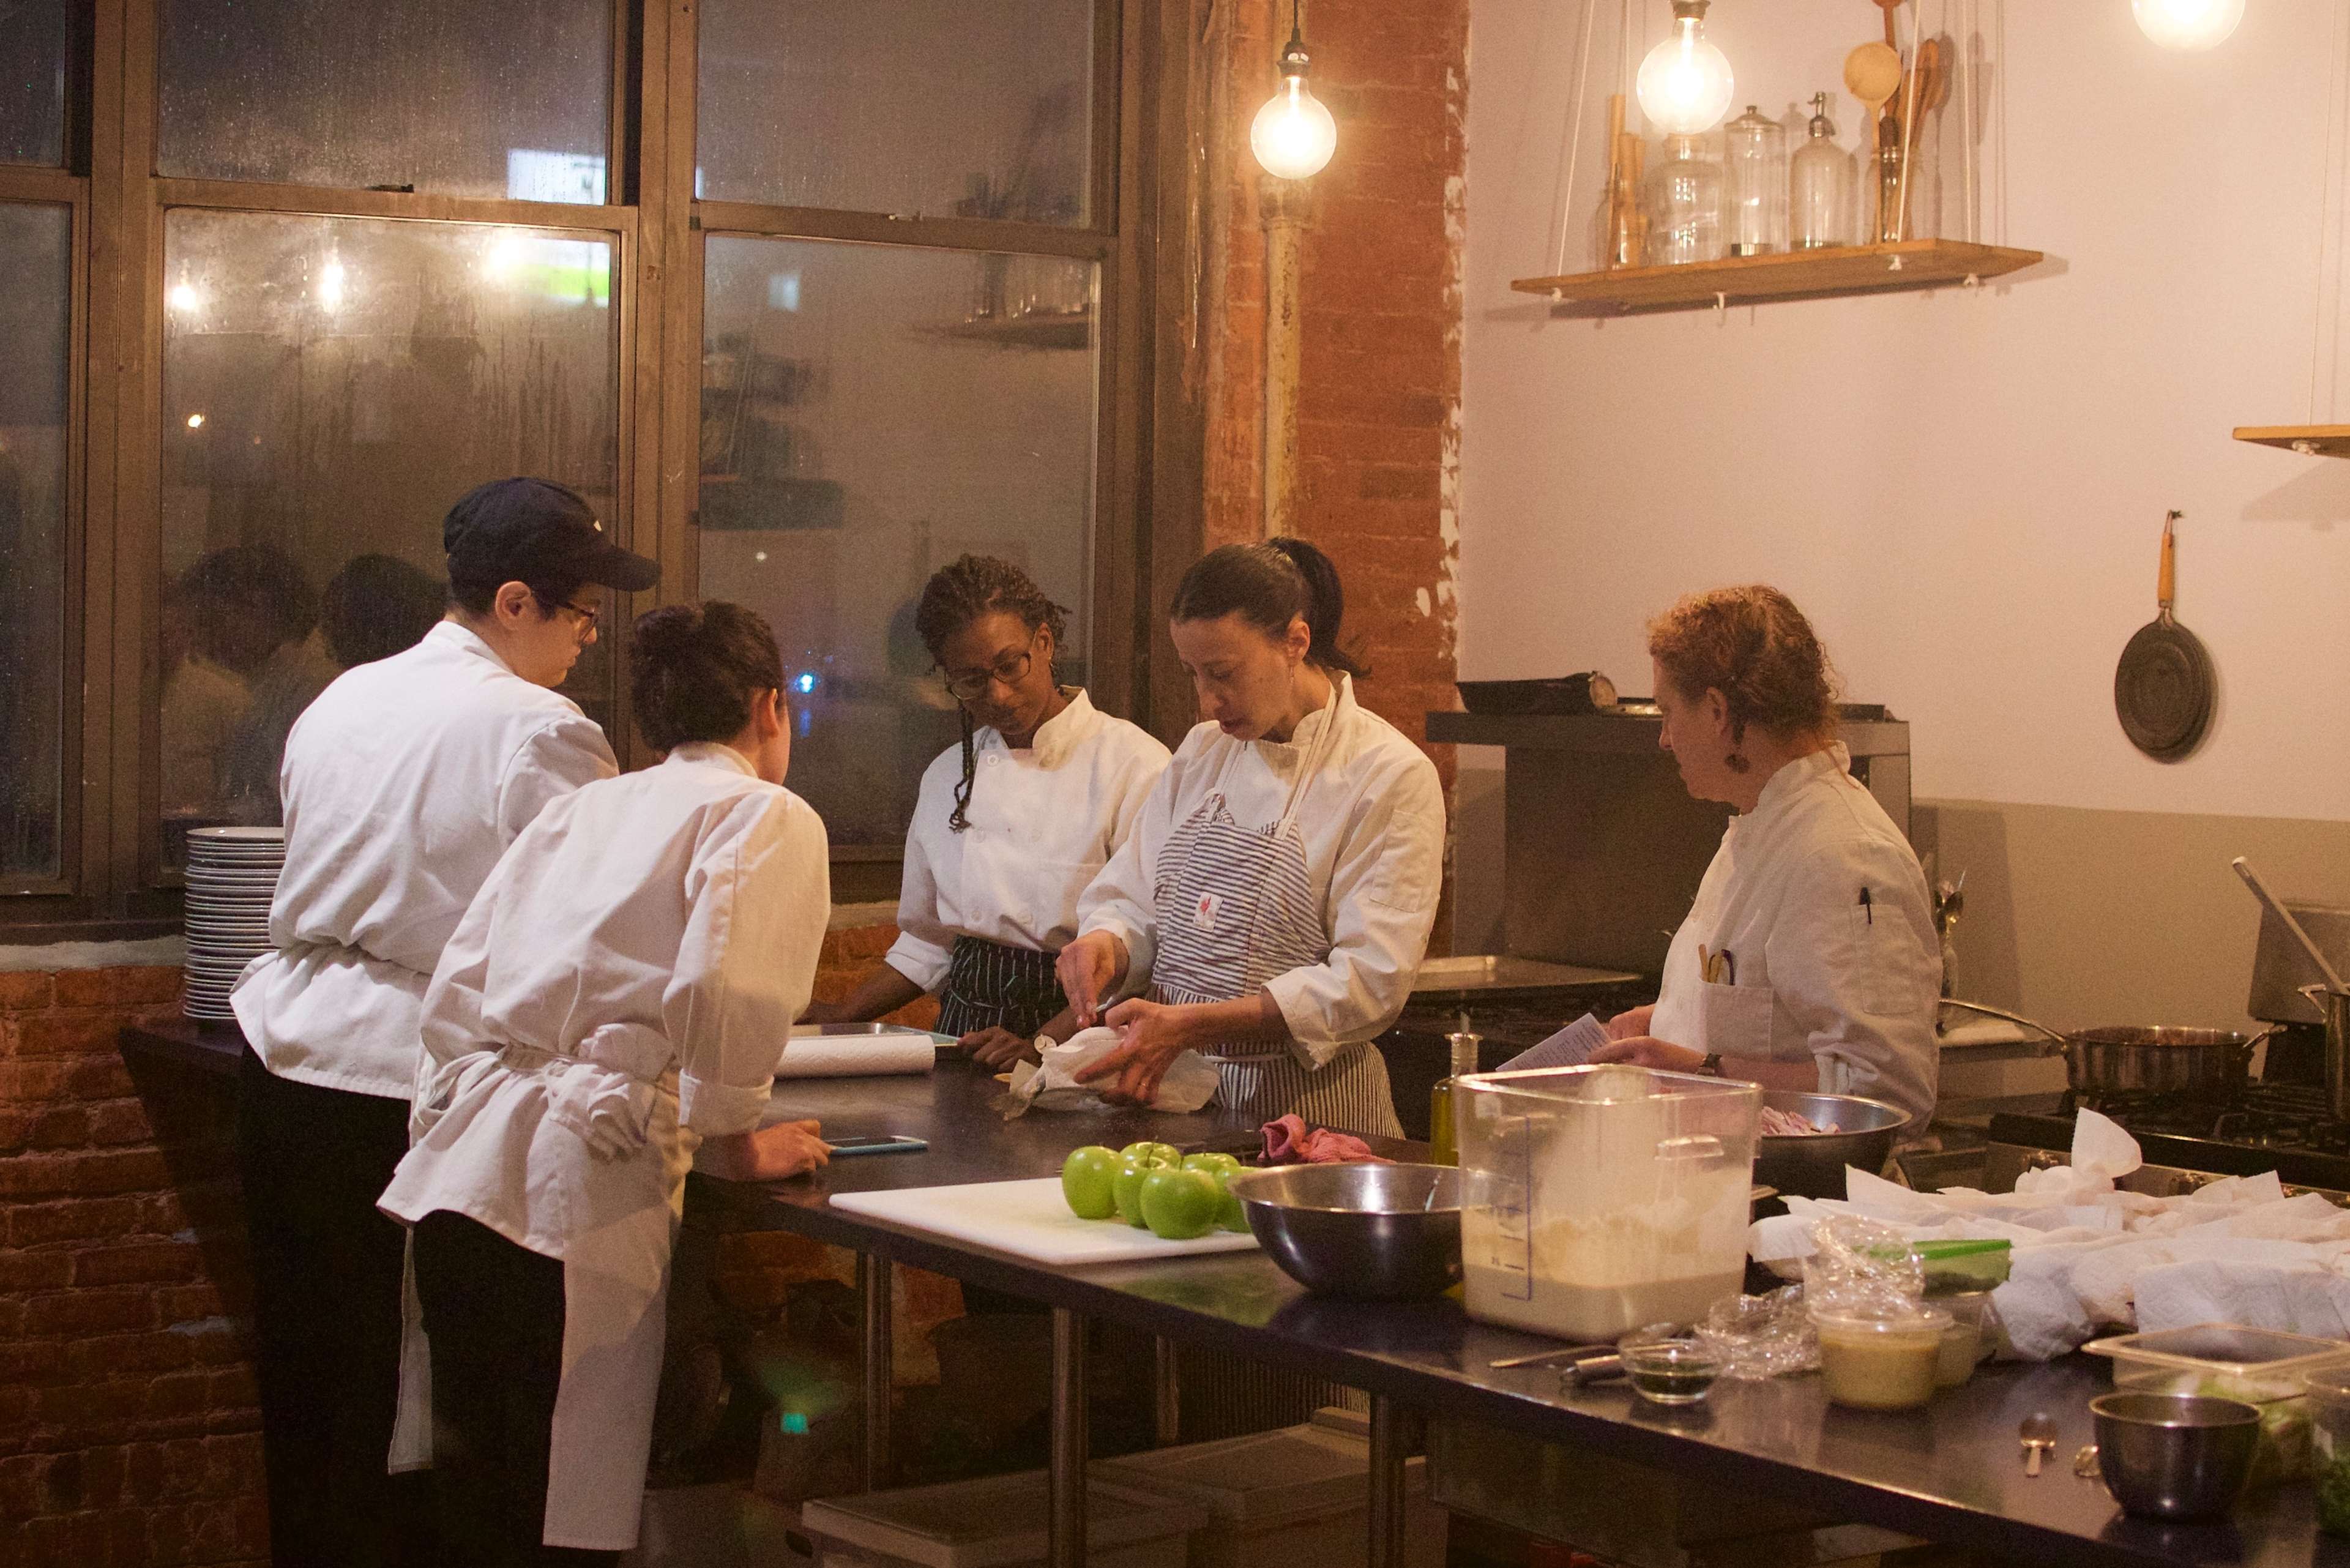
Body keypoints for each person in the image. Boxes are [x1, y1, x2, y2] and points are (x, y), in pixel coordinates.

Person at [229, 477, 657, 1568]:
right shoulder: (541, 727)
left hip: (287, 1055)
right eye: (579, 610)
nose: (588, 634)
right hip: (425, 1078)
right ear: (514, 602)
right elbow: (582, 931)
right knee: (482, 1391)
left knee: (320, 1381)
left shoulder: (342, 697)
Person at [379, 601, 833, 1564]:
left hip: (465, 1183)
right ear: (768, 707)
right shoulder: (762, 812)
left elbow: (458, 987)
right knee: (562, 1517)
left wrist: (452, 1117)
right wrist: (730, 1135)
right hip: (579, 1194)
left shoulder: (585, 807)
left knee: (480, 1512)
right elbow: (730, 984)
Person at [1057, 538, 1446, 1138]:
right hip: (1185, 1111)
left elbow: (1368, 984)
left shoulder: (1389, 775)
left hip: (1319, 1126)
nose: (1209, 702)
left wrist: (1192, 1026)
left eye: (1223, 674)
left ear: (1296, 642)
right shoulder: (1201, 754)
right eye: (1194, 674)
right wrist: (1109, 943)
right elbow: (1132, 895)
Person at [1587, 586, 1940, 1127]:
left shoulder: (1845, 855)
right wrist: (1668, 1022)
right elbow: (1774, 1019)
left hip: (1808, 1204)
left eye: (1667, 712)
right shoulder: (1758, 830)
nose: (1663, 739)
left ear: (1716, 711)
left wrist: (1701, 1072)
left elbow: (1886, 1093)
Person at [807, 555, 1169, 1066]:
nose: (997, 693)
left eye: (1009, 665)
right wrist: (839, 1015)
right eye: (972, 680)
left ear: (1044, 643)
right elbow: (929, 945)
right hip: (963, 1037)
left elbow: (1144, 948)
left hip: (1081, 1038)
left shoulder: (1135, 766)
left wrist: (1041, 1046)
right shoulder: (945, 777)